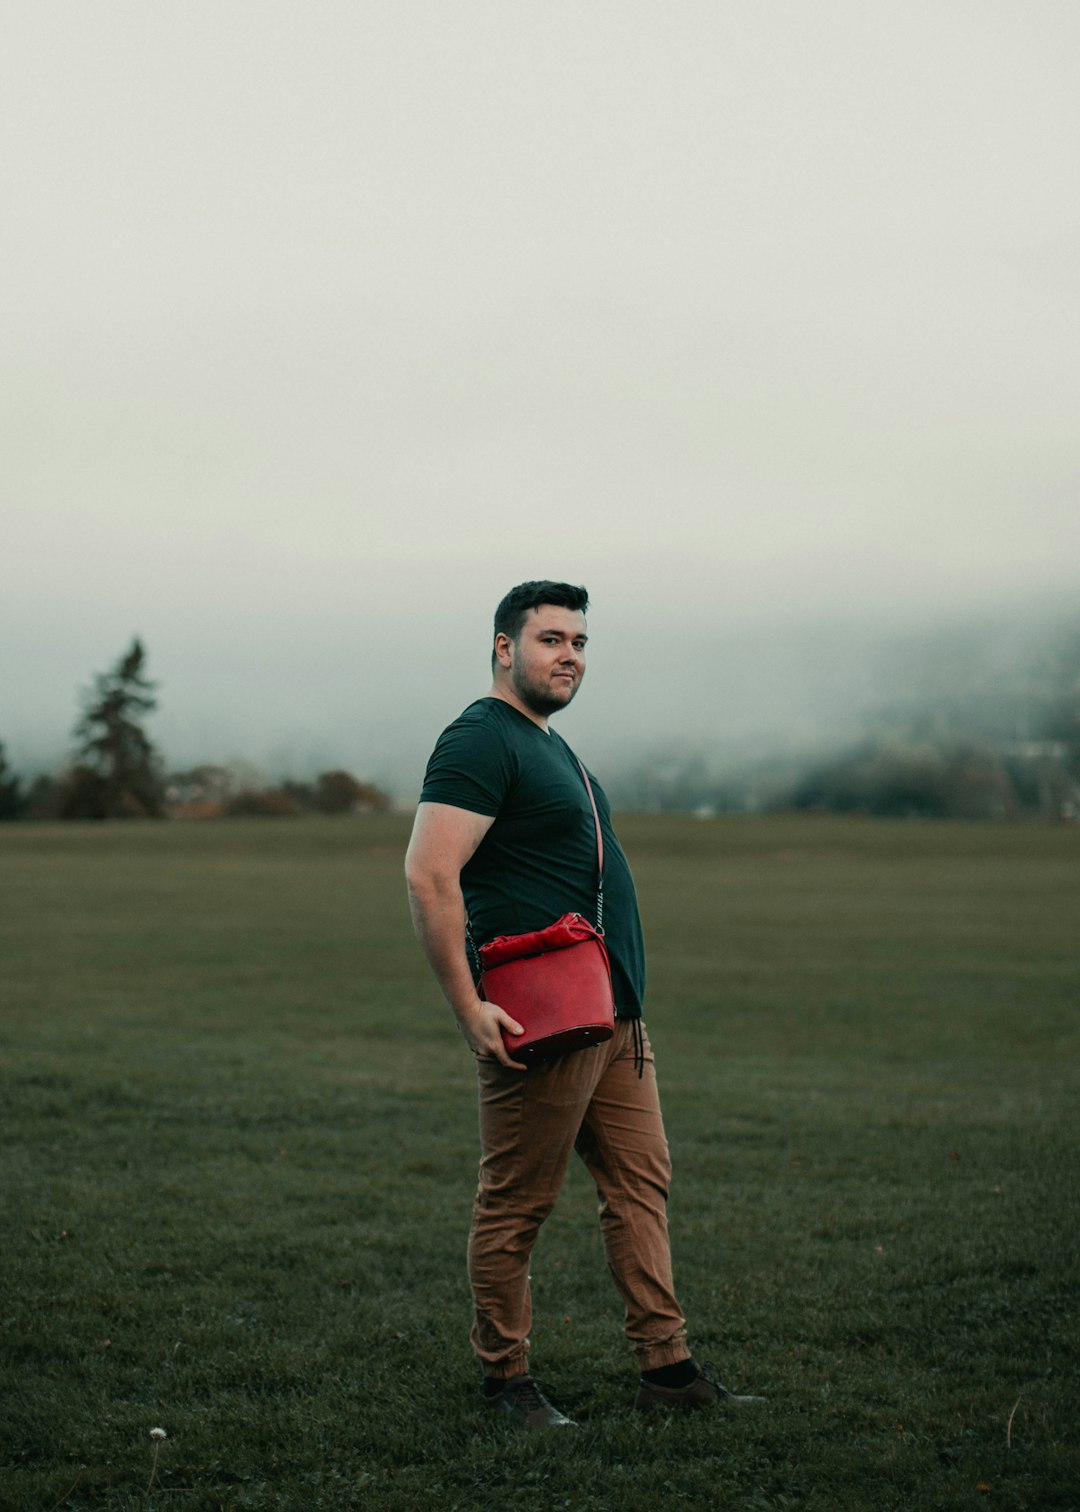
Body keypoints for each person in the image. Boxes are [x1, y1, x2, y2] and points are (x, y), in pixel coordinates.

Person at [404, 581, 757, 1428]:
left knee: (640, 1184)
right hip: (542, 1018)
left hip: (614, 1017)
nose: (570, 656)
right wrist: (468, 1008)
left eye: (580, 643)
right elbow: (428, 873)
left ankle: (666, 1373)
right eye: (552, 639)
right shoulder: (479, 740)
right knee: (517, 1201)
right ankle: (505, 1383)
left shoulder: (550, 744)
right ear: (503, 648)